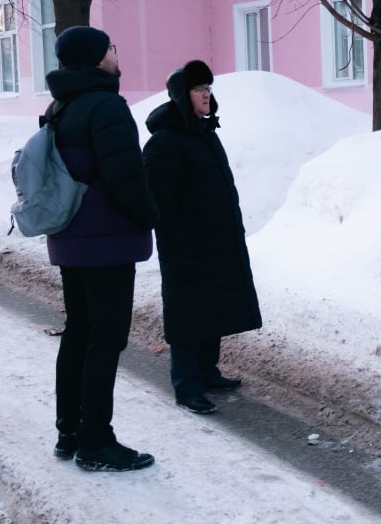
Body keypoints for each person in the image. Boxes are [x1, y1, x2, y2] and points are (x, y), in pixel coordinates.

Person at [45, 26, 159, 472]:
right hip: (106, 242)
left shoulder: (61, 104)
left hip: (72, 238)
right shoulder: (106, 106)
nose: (116, 53)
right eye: (110, 47)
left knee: (79, 331)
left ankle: (69, 431)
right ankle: (95, 440)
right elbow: (125, 176)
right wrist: (151, 216)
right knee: (106, 338)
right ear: (96, 59)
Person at [143, 60, 261, 415]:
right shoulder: (165, 142)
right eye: (198, 89)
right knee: (187, 314)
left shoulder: (205, 133)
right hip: (186, 245)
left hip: (216, 240)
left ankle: (208, 372)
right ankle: (187, 385)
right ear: (182, 95)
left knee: (213, 307)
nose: (206, 95)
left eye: (208, 89)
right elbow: (160, 202)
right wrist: (177, 247)